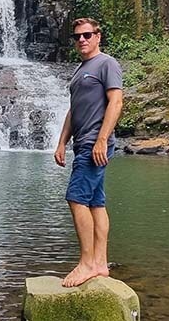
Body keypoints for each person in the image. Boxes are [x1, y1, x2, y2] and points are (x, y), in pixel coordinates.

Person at [54, 17, 124, 288]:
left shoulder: (107, 63)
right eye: (77, 37)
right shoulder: (79, 71)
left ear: (98, 36)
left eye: (87, 35)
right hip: (82, 142)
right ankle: (100, 263)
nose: (81, 40)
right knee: (96, 203)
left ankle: (86, 264)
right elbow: (74, 111)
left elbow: (116, 102)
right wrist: (61, 143)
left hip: (95, 143)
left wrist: (101, 140)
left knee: (75, 198)